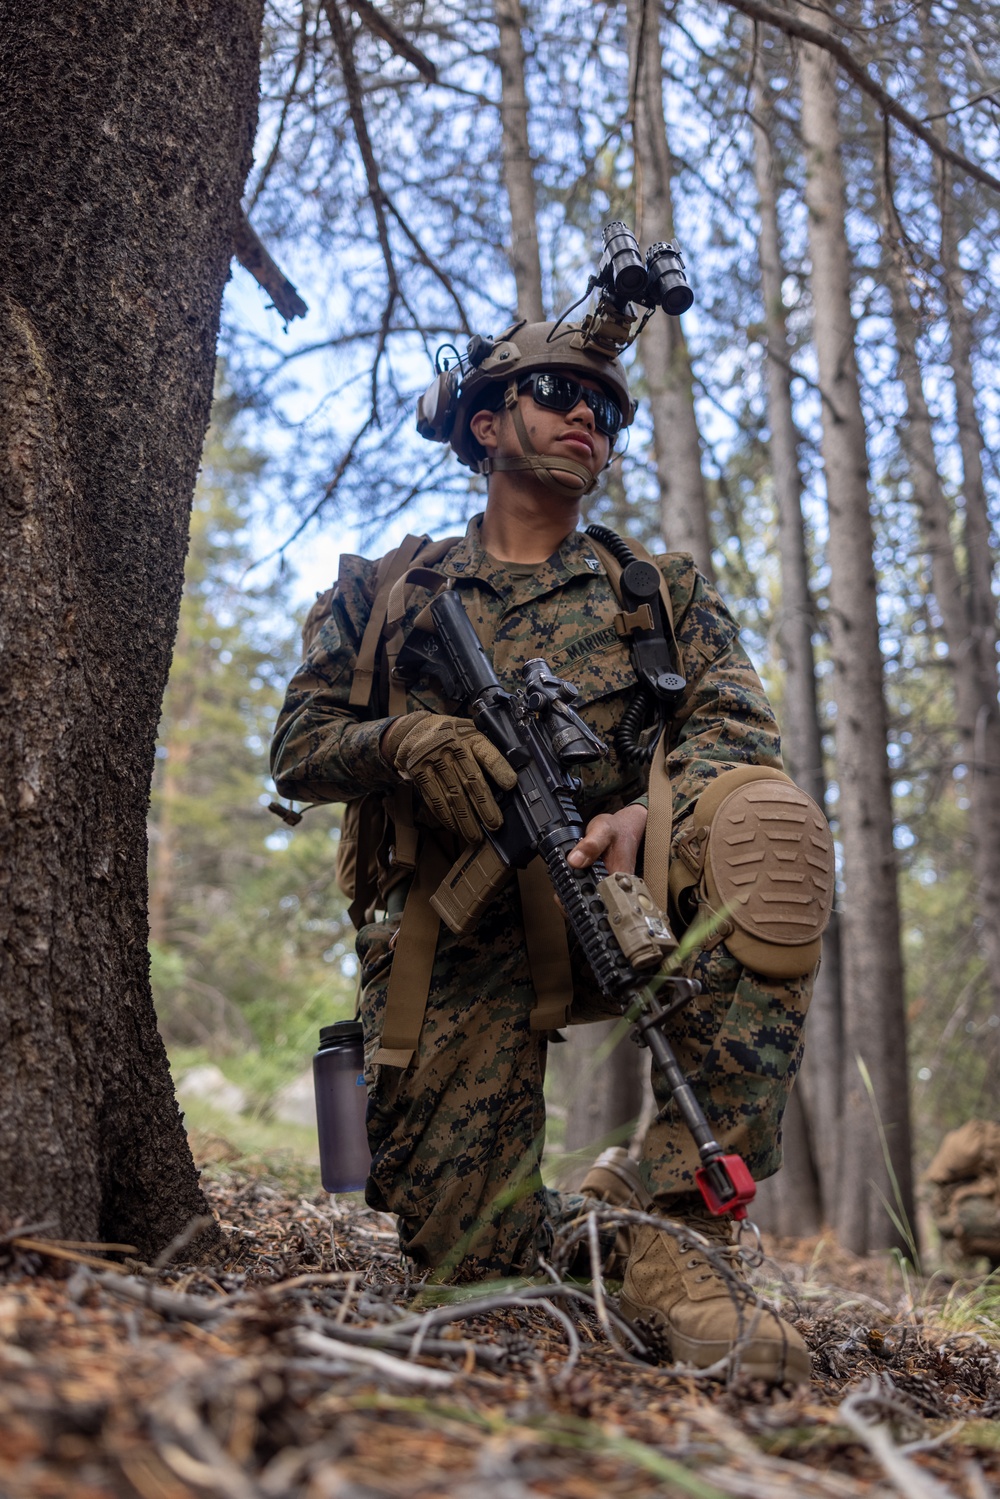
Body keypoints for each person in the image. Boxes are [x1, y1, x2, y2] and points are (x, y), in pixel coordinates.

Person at [271, 318, 833, 1385]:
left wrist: (644, 814)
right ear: (485, 422)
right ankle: (622, 1230)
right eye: (556, 392)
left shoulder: (654, 591)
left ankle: (688, 1229)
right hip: (455, 936)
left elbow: (734, 729)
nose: (589, 417)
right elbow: (296, 747)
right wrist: (405, 737)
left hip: (619, 902)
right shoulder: (383, 592)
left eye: (608, 409)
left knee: (768, 826)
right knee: (470, 1269)